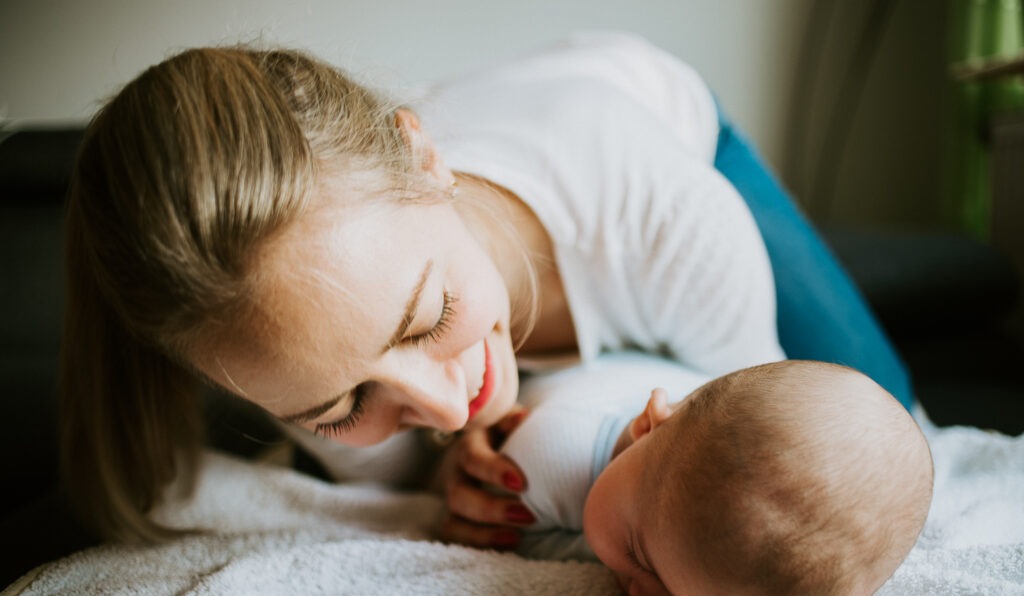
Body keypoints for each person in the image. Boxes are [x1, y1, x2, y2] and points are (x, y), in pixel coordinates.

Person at [61, 31, 912, 544]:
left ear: (429, 163)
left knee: (887, 420)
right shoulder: (282, 358)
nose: (440, 409)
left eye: (427, 316)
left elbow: (745, 429)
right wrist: (449, 483)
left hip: (669, 126)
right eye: (337, 409)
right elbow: (408, 469)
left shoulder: (667, 218)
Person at [500, 354, 933, 596]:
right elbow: (501, 527)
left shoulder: (691, 444)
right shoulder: (546, 454)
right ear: (647, 426)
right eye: (638, 553)